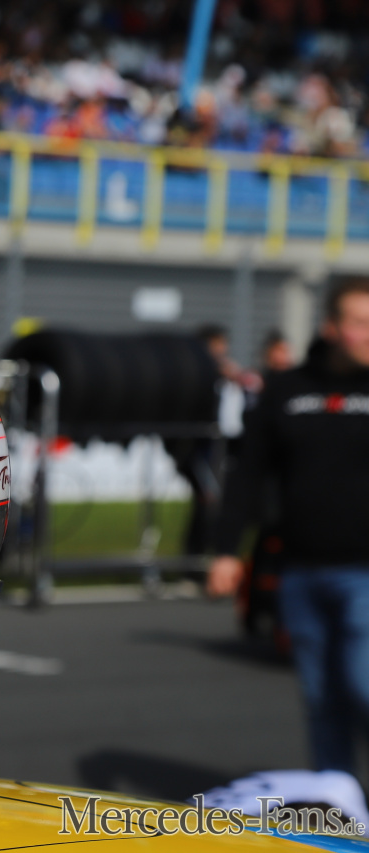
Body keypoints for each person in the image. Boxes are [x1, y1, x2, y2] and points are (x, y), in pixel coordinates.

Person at [209, 277, 369, 775]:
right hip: (300, 569)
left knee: (363, 685)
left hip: (365, 573)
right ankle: (339, 807)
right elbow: (248, 474)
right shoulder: (286, 389)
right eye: (360, 323)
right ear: (331, 327)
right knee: (322, 699)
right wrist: (227, 551)